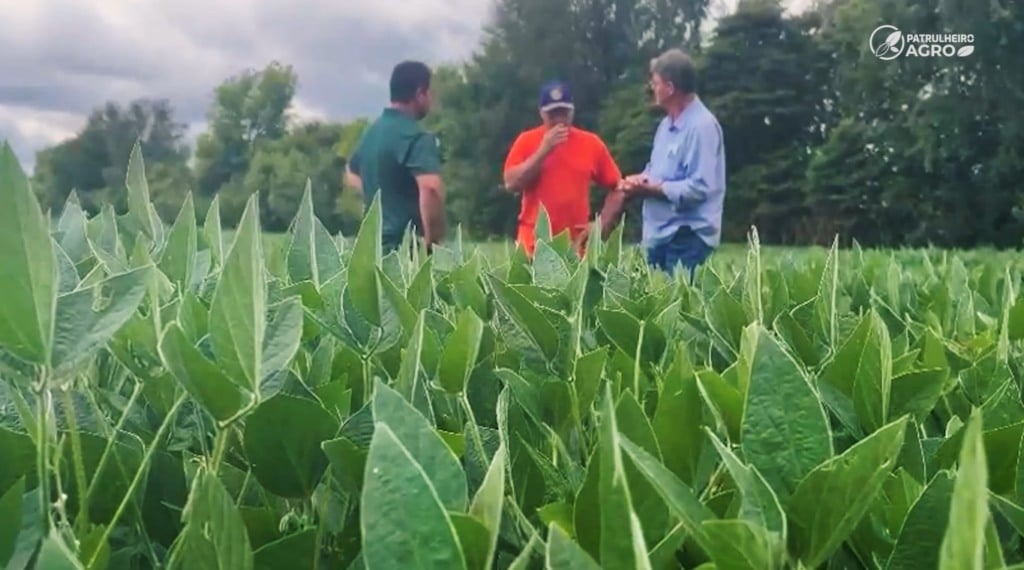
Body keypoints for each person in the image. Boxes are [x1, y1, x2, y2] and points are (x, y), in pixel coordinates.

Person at [620, 49, 726, 283]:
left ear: (669, 88)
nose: (651, 88)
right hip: (661, 237)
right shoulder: (665, 127)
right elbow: (656, 171)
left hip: (687, 238)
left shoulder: (702, 127)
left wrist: (653, 189)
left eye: (655, 82)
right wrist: (639, 180)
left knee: (678, 312)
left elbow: (699, 187)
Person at [503, 79, 626, 257]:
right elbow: (511, 183)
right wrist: (543, 151)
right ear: (541, 113)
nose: (559, 119)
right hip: (532, 245)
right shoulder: (526, 141)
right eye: (553, 114)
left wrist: (601, 223)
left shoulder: (591, 143)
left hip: (576, 245)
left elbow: (619, 188)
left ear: (572, 111)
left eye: (564, 113)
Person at [345, 60, 445, 254]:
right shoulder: (417, 137)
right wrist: (432, 242)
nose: (431, 99)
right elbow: (431, 188)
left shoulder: (372, 132)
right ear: (419, 94)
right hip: (404, 250)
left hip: (371, 248)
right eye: (429, 93)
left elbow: (351, 170)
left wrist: (378, 196)